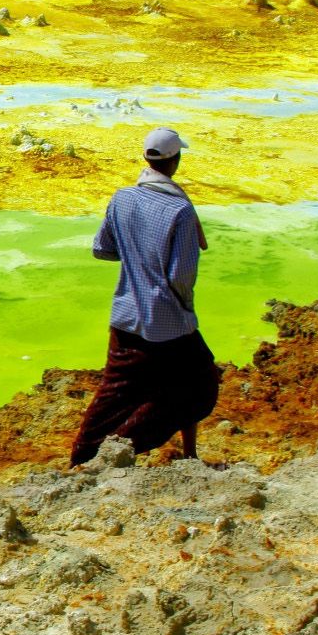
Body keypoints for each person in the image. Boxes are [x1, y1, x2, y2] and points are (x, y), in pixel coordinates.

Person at [70, 127, 221, 467]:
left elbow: (101, 249)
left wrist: (136, 254)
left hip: (125, 316)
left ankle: (83, 456)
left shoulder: (122, 198)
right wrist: (185, 310)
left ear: (146, 158)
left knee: (113, 396)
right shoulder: (180, 211)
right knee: (199, 385)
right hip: (167, 324)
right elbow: (181, 275)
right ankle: (129, 448)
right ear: (176, 160)